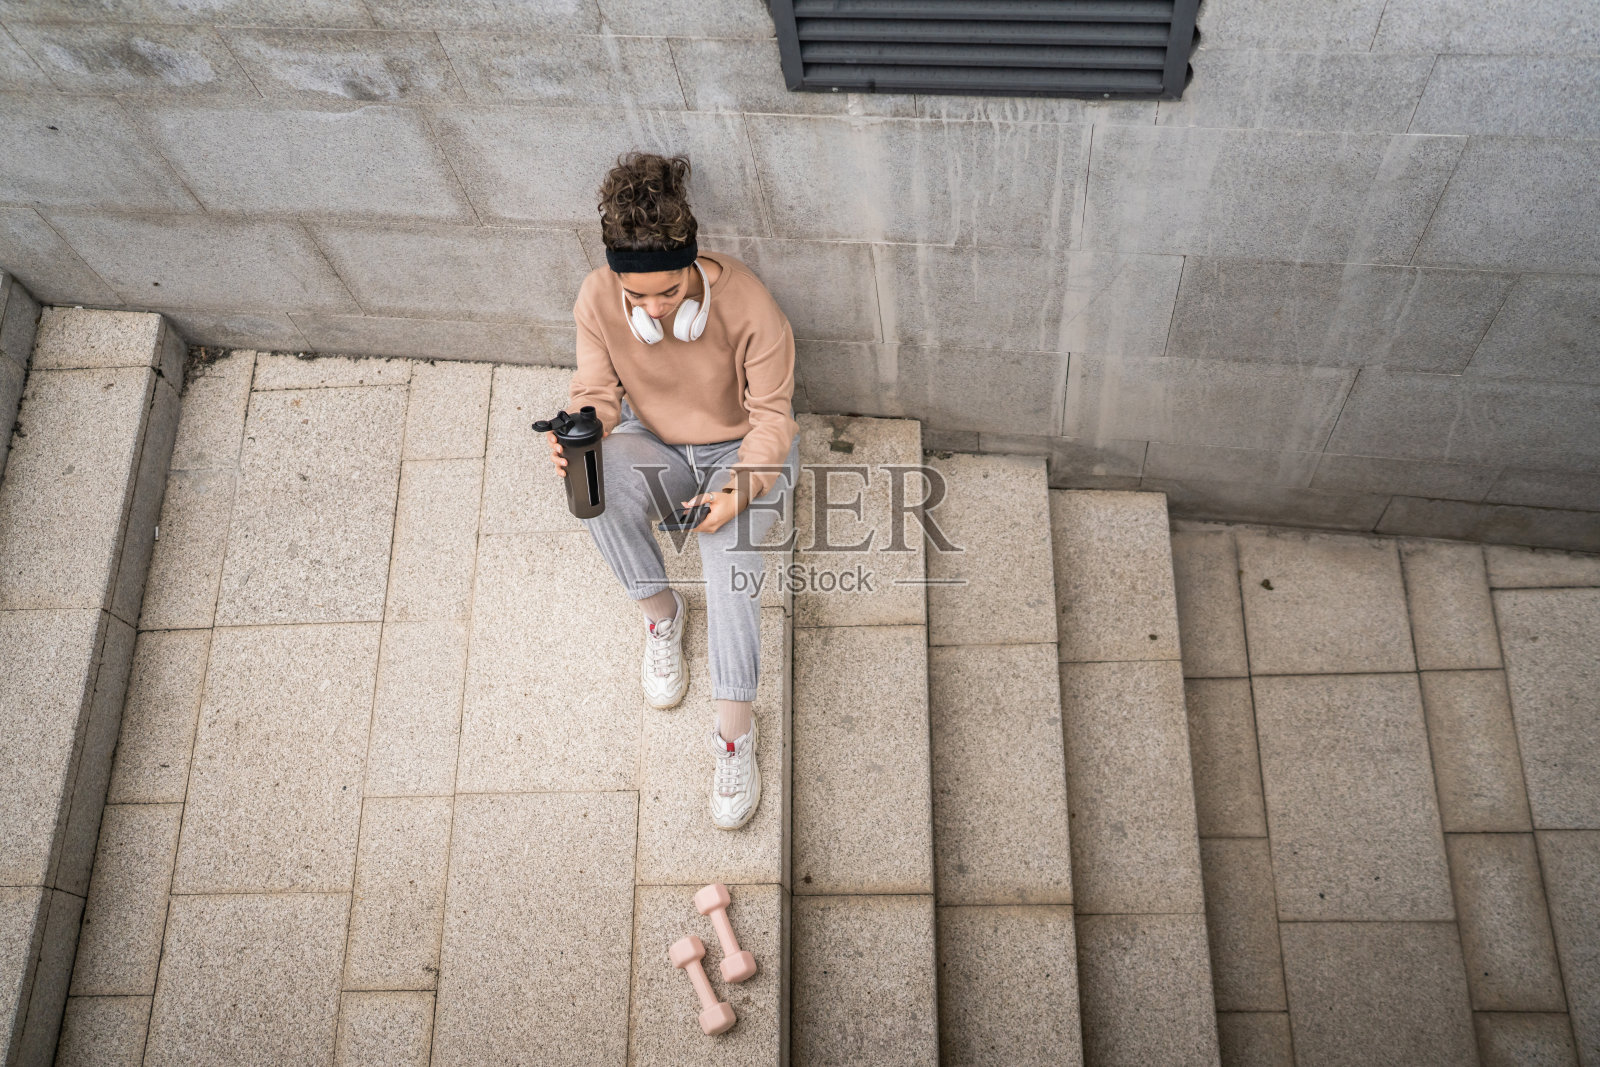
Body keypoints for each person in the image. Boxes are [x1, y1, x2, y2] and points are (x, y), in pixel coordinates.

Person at [546, 151, 799, 831]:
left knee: (727, 558)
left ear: (692, 261)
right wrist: (582, 429)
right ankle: (663, 613)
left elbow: (774, 419)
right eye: (640, 297)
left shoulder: (747, 302)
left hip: (742, 450)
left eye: (668, 292)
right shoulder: (597, 299)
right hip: (655, 442)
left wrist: (737, 493)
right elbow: (598, 392)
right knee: (587, 478)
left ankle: (734, 732)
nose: (655, 309)